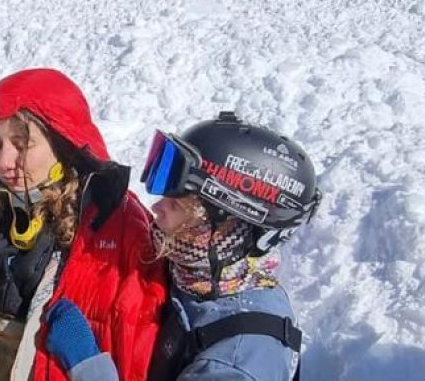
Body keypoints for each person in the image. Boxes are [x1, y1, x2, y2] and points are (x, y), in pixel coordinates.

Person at [0, 68, 168, 381]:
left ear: (63, 144)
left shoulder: (117, 227)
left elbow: (138, 344)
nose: (3, 162)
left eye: (22, 144)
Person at [44, 112, 322, 381]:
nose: (156, 207)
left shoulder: (234, 363)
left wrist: (88, 366)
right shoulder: (209, 277)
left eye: (176, 204)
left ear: (225, 229)